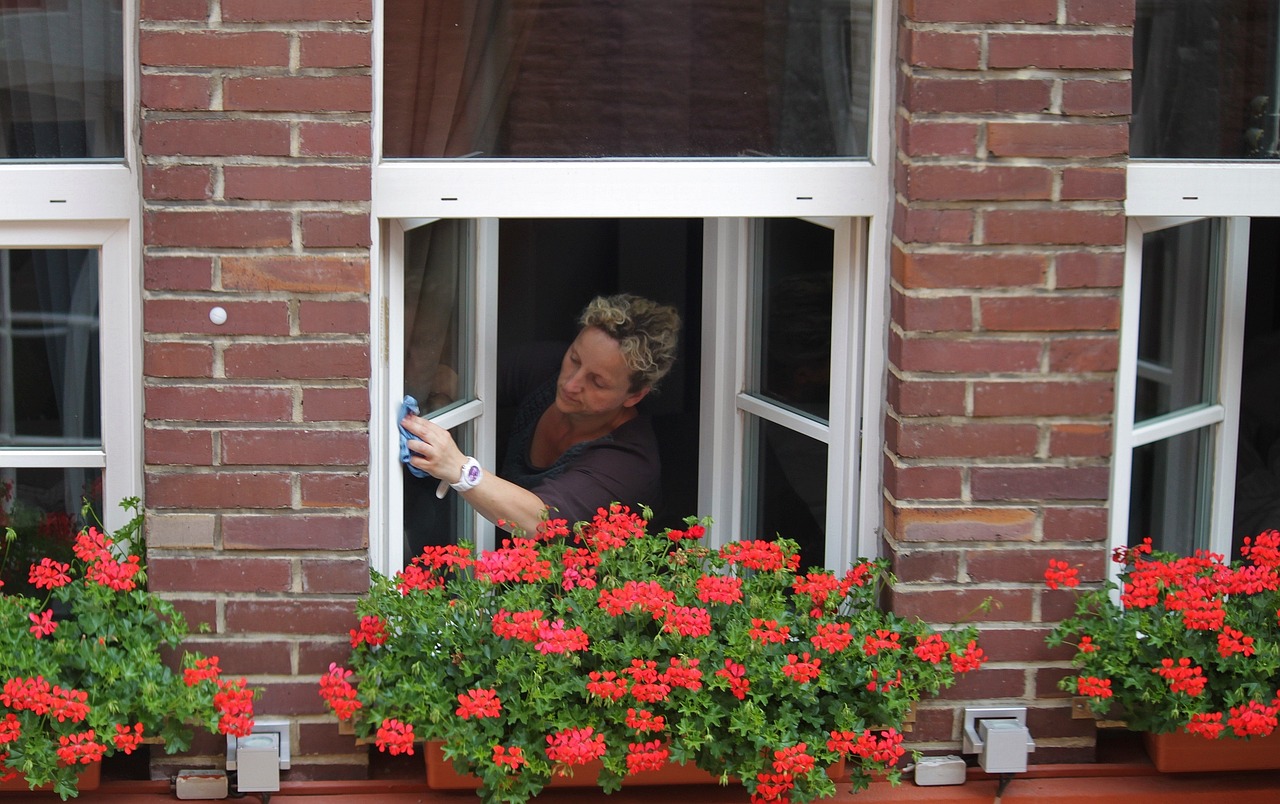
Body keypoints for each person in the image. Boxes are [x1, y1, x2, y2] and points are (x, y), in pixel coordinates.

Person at [400, 294, 681, 534]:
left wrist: (459, 469)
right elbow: (457, 381)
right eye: (574, 359)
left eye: (597, 382)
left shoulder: (629, 463)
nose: (571, 383)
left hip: (571, 593)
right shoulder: (548, 368)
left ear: (634, 395)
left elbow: (541, 521)